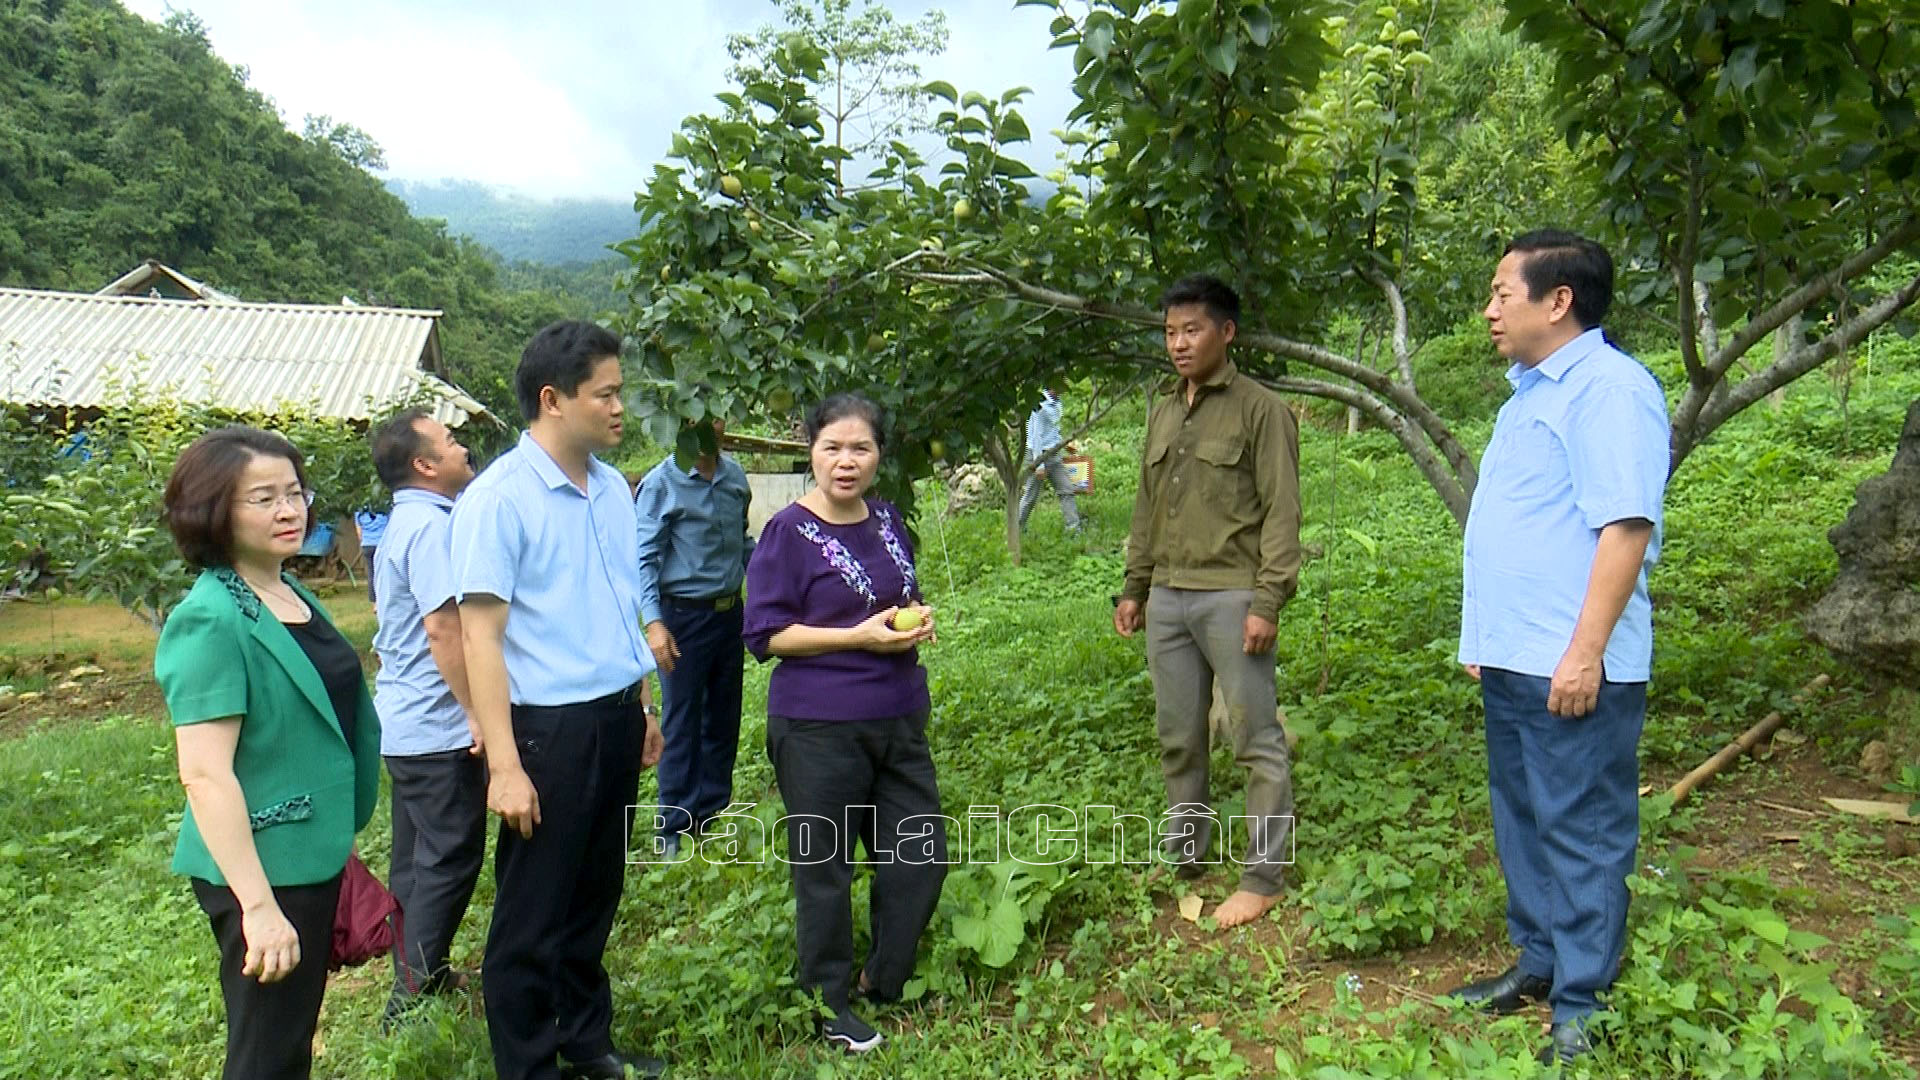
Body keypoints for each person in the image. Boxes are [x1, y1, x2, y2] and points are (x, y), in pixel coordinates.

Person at [1443, 231, 1668, 1066]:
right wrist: (1486, 641)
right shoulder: (1529, 394)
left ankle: (1584, 1002)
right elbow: (1525, 526)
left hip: (1573, 663)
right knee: (1527, 819)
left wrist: (1585, 651)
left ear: (1558, 300)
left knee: (1582, 828)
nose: (1490, 308)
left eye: (1504, 293)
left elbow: (1624, 528)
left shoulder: (1609, 391)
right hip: (1516, 656)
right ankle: (1539, 963)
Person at [450, 320, 666, 1080]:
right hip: (547, 730)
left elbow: (616, 600)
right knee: (532, 915)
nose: (619, 408)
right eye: (606, 394)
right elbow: (480, 638)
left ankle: (587, 1041)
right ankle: (529, 1065)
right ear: (553, 399)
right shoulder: (497, 500)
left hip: (611, 716)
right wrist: (504, 766)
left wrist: (640, 705)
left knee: (594, 894)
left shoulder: (611, 488)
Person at [155, 425, 382, 1079]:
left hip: (305, 854)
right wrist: (258, 908)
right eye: (263, 498)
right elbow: (204, 772)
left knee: (288, 1042)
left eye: (294, 492)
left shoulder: (285, 592)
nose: (289, 510)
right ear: (214, 508)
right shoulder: (211, 618)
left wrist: (336, 834)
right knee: (267, 1053)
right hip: (259, 869)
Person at [742, 392, 945, 1054]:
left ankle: (883, 979)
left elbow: (898, 598)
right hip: (818, 724)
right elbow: (766, 634)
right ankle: (828, 1003)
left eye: (860, 448)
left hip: (897, 714)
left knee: (920, 853)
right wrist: (856, 637)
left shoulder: (887, 518)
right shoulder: (787, 532)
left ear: (879, 454)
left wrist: (917, 618)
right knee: (824, 867)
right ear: (811, 452)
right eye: (832, 447)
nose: (846, 461)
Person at [1113, 273, 1301, 930]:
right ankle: (1188, 856)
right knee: (1179, 738)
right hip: (1168, 598)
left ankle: (1263, 876)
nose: (1179, 343)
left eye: (1192, 329)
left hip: (1232, 595)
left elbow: (1281, 515)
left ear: (1226, 332)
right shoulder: (1165, 410)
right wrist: (1135, 587)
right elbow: (1147, 506)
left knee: (1255, 739)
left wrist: (1267, 601)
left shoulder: (1260, 411)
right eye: (1170, 332)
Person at [368, 409, 483, 1026]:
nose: (462, 447)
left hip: (404, 720)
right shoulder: (432, 529)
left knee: (415, 862)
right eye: (450, 440)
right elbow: (444, 627)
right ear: (424, 463)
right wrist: (475, 713)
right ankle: (407, 1003)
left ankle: (422, 972)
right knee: (451, 856)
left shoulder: (408, 522)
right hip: (437, 725)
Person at [633, 418, 753, 858]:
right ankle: (673, 826)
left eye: (718, 415)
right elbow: (642, 560)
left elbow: (741, 541)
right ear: (681, 422)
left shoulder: (735, 477)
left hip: (728, 613)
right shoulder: (661, 483)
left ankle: (711, 815)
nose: (711, 426)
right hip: (683, 617)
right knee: (682, 720)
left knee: (724, 716)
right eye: (698, 417)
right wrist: (654, 623)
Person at [1018, 383, 1083, 534]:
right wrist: (1038, 465)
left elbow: (1053, 429)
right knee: (1030, 496)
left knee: (1066, 489)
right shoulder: (1039, 404)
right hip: (1038, 453)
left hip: (1053, 453)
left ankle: (1073, 529)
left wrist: (1064, 444)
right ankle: (1017, 528)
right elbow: (1035, 436)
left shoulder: (1057, 404)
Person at [354, 508, 387, 602]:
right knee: (383, 574)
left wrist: (364, 541)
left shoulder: (359, 510)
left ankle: (375, 603)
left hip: (367, 545)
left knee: (371, 574)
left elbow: (359, 532)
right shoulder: (384, 509)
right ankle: (383, 600)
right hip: (381, 544)